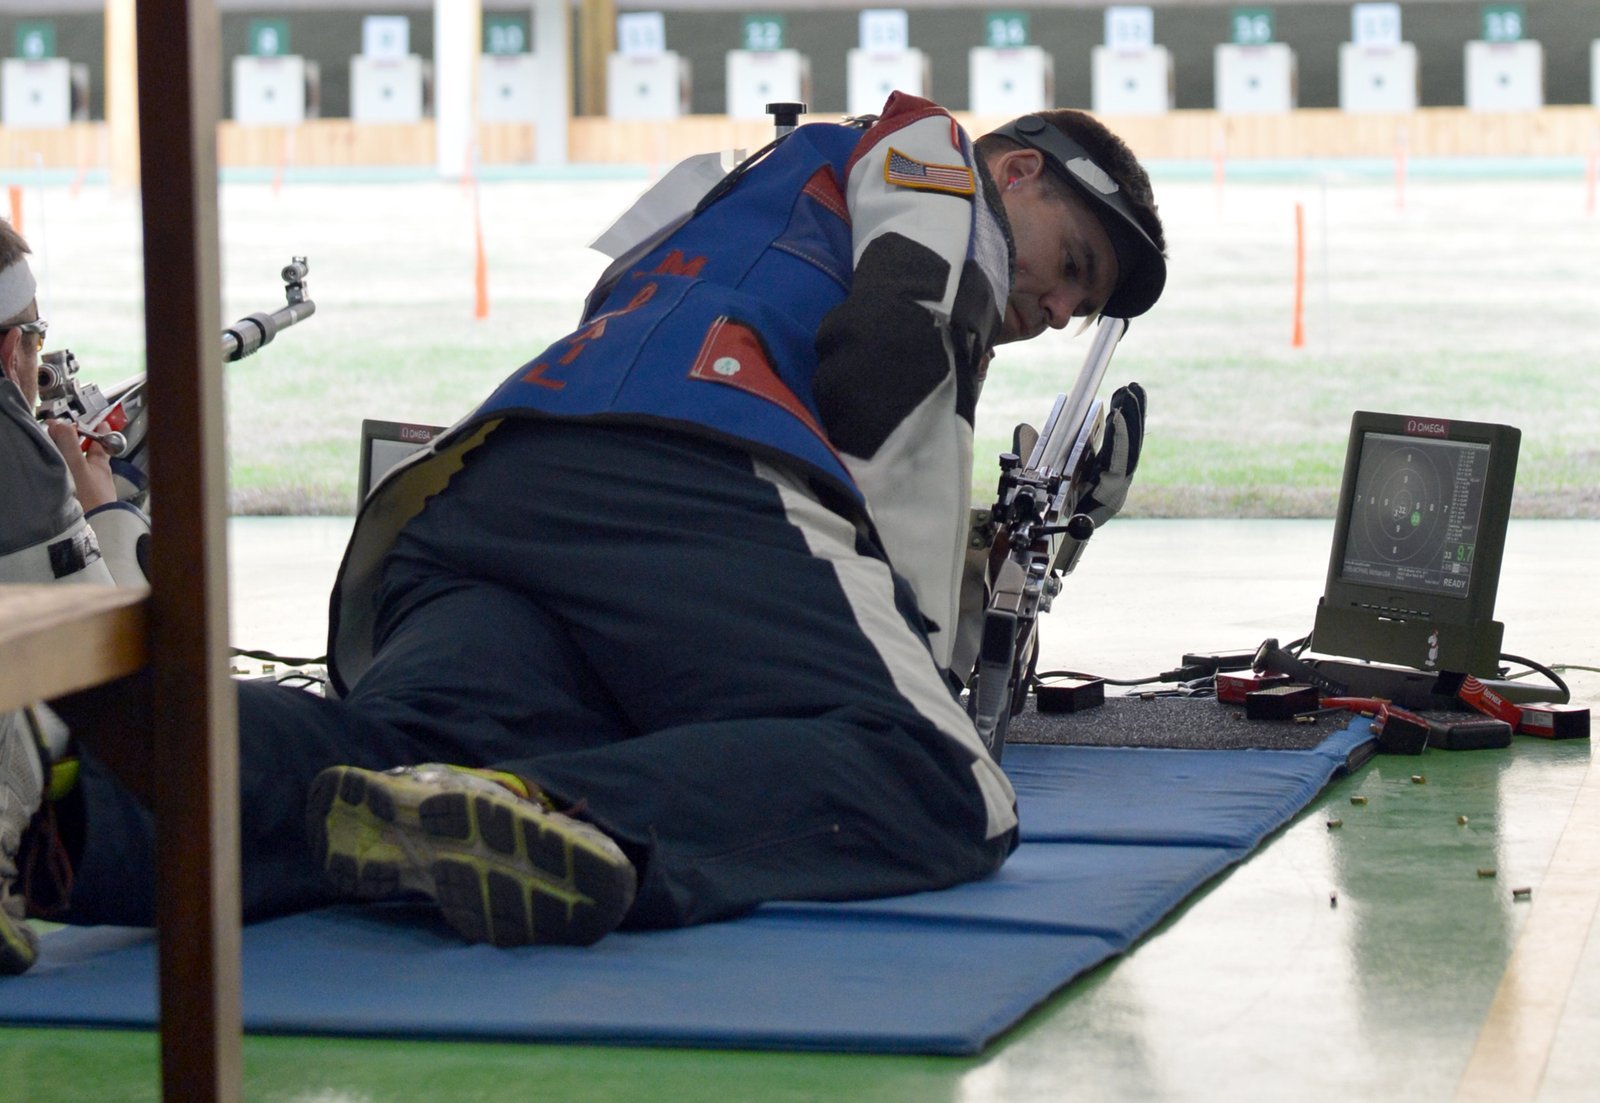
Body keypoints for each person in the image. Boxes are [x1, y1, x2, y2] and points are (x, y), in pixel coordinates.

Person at [3, 93, 1167, 968]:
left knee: (396, 757)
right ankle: (565, 808)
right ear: (1014, 170)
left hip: (490, 490)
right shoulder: (935, 163)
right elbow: (893, 359)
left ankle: (42, 794)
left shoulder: (760, 182)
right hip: (693, 467)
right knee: (941, 780)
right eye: (1072, 264)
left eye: (1079, 306)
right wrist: (929, 655)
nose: (1058, 307)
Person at [0, 221, 150, 972]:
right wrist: (108, 516)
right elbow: (121, 680)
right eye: (34, 337)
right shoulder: (15, 457)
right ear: (9, 350)